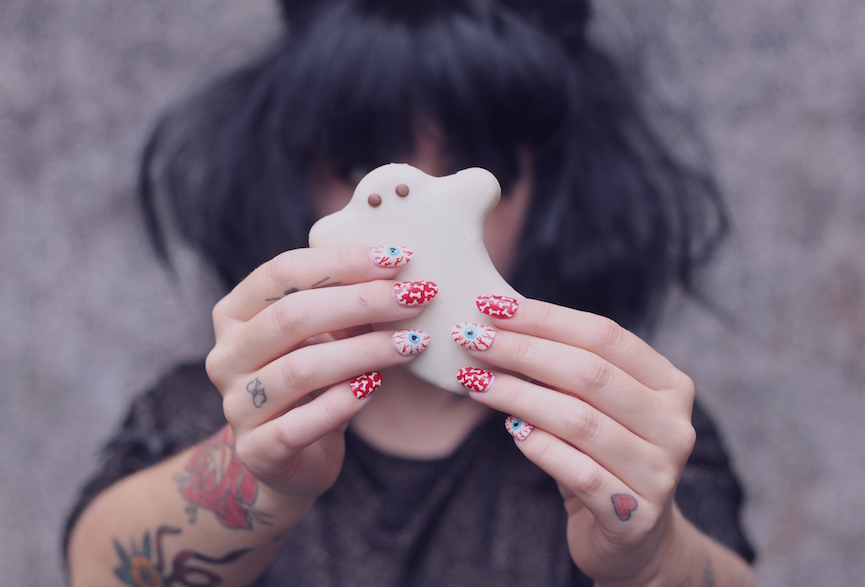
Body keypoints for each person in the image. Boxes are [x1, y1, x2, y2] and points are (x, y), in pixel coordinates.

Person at [64, 1, 756, 585]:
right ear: (299, 181)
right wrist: (263, 479)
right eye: (365, 166)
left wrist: (652, 552)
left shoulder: (624, 424)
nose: (418, 222)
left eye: (470, 165)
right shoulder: (209, 407)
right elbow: (98, 565)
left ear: (544, 192)